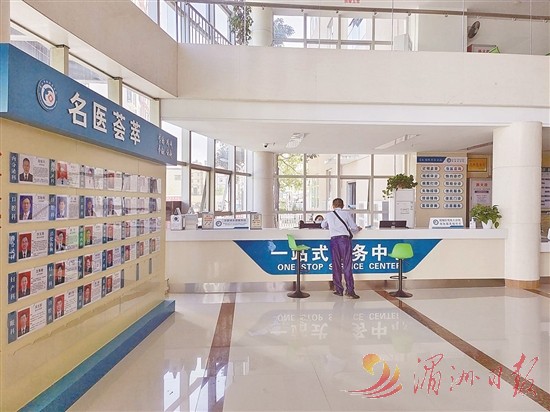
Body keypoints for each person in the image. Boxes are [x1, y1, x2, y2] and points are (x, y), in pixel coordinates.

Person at [321, 198, 362, 299]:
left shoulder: (329, 215)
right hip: (344, 241)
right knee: (347, 265)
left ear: (333, 206)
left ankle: (339, 290)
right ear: (342, 206)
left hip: (334, 241)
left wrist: (331, 226)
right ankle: (350, 291)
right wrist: (358, 228)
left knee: (336, 265)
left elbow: (323, 225)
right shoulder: (346, 214)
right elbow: (354, 227)